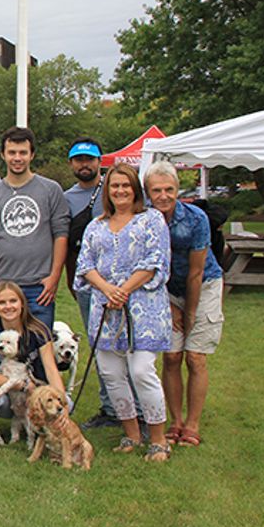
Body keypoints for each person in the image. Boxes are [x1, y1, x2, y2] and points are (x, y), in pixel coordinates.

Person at [75, 163, 172, 461]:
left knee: (142, 370)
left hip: (143, 310)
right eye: (114, 186)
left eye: (125, 185)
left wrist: (124, 290)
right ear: (107, 190)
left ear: (135, 189)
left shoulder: (151, 220)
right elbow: (85, 265)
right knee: (111, 373)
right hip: (105, 310)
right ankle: (130, 433)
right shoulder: (96, 226)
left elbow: (154, 261)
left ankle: (158, 438)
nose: (120, 191)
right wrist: (107, 290)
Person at [146, 161, 224, 450]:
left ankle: (192, 424)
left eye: (169, 189)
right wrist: (168, 305)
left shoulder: (195, 219)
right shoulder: (145, 219)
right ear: (148, 192)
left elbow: (196, 272)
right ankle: (175, 420)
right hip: (164, 291)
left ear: (178, 190)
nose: (164, 196)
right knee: (172, 357)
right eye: (157, 190)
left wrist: (189, 312)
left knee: (195, 357)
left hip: (202, 285)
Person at [0, 126, 70, 329]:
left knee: (40, 348)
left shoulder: (51, 190)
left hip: (39, 286)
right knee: (6, 352)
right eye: (12, 152)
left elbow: (61, 235)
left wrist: (54, 277)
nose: (17, 158)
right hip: (4, 286)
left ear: (32, 154)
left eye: (23, 153)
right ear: (3, 154)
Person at [62, 137, 118, 430]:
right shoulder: (67, 198)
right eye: (79, 160)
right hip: (87, 285)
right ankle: (110, 408)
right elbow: (67, 244)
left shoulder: (116, 189)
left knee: (130, 348)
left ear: (100, 161)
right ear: (71, 163)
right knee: (100, 346)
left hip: (122, 284)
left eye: (90, 159)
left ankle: (137, 409)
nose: (85, 165)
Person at [0, 281, 67, 445]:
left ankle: (43, 426)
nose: (8, 306)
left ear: (22, 304)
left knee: (67, 405)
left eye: (13, 301)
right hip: (7, 395)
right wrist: (21, 385)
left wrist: (62, 402)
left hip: (36, 392)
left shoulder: (39, 330)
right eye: (2, 302)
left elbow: (52, 370)